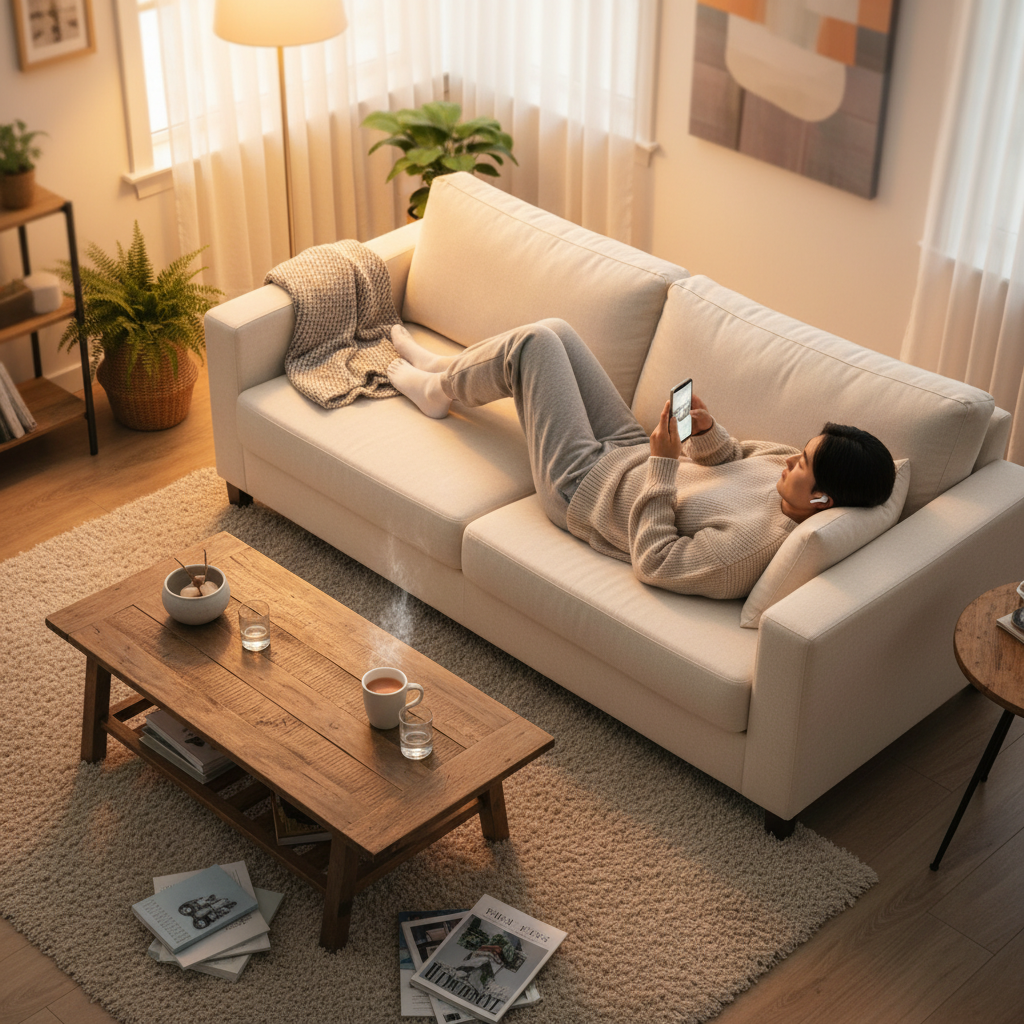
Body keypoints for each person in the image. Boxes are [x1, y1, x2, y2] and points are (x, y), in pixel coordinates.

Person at [386, 319, 896, 600]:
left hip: (582, 485)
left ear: (822, 500)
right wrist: (704, 431)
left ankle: (437, 389)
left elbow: (655, 561)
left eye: (801, 466)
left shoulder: (747, 552)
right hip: (629, 448)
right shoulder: (786, 468)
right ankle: (447, 370)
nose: (788, 462)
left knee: (533, 346)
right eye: (801, 453)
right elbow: (733, 459)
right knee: (558, 330)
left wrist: (665, 465)